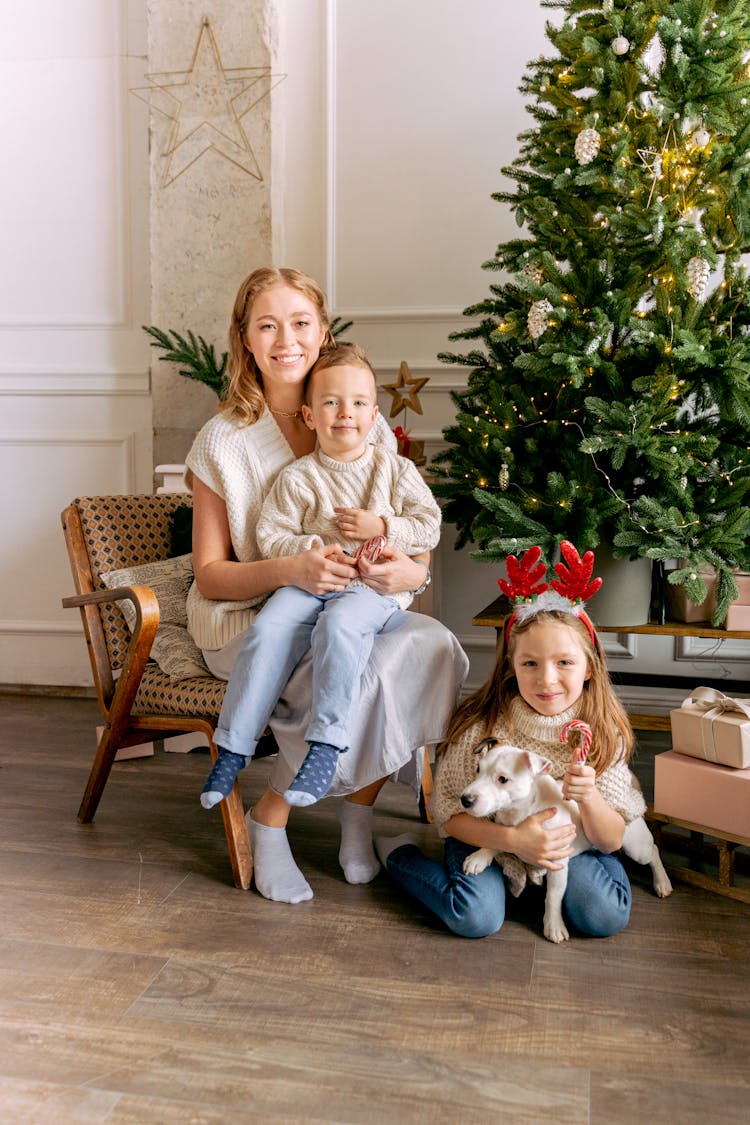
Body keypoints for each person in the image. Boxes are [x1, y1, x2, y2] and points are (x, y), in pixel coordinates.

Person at [184, 266, 469, 904]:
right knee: (361, 668)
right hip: (255, 613)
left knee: (426, 647)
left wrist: (411, 571)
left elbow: (408, 534)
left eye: (301, 322)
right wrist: (295, 569)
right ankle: (271, 819)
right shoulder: (222, 442)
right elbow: (210, 575)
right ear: (245, 339)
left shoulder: (356, 416)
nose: (287, 339)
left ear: (322, 330)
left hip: (353, 600)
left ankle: (358, 812)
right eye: (267, 325)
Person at [200, 342, 442, 810]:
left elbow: (429, 524)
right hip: (313, 582)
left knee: (340, 627)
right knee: (268, 627)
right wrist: (309, 551)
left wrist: (384, 527)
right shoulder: (298, 478)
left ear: (374, 416)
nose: (344, 413)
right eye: (331, 402)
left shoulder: (394, 470)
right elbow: (272, 535)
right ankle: (233, 748)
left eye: (357, 403)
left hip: (370, 588)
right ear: (310, 416)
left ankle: (327, 745)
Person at [376, 542, 647, 940]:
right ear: (511, 665)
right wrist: (513, 841)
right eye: (530, 663)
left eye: (565, 663)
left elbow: (609, 841)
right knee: (474, 918)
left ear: (589, 667)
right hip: (487, 835)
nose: (547, 679)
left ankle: (545, 891)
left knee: (605, 916)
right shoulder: (484, 730)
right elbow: (450, 814)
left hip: (566, 848)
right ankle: (399, 855)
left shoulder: (602, 736)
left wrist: (588, 797)